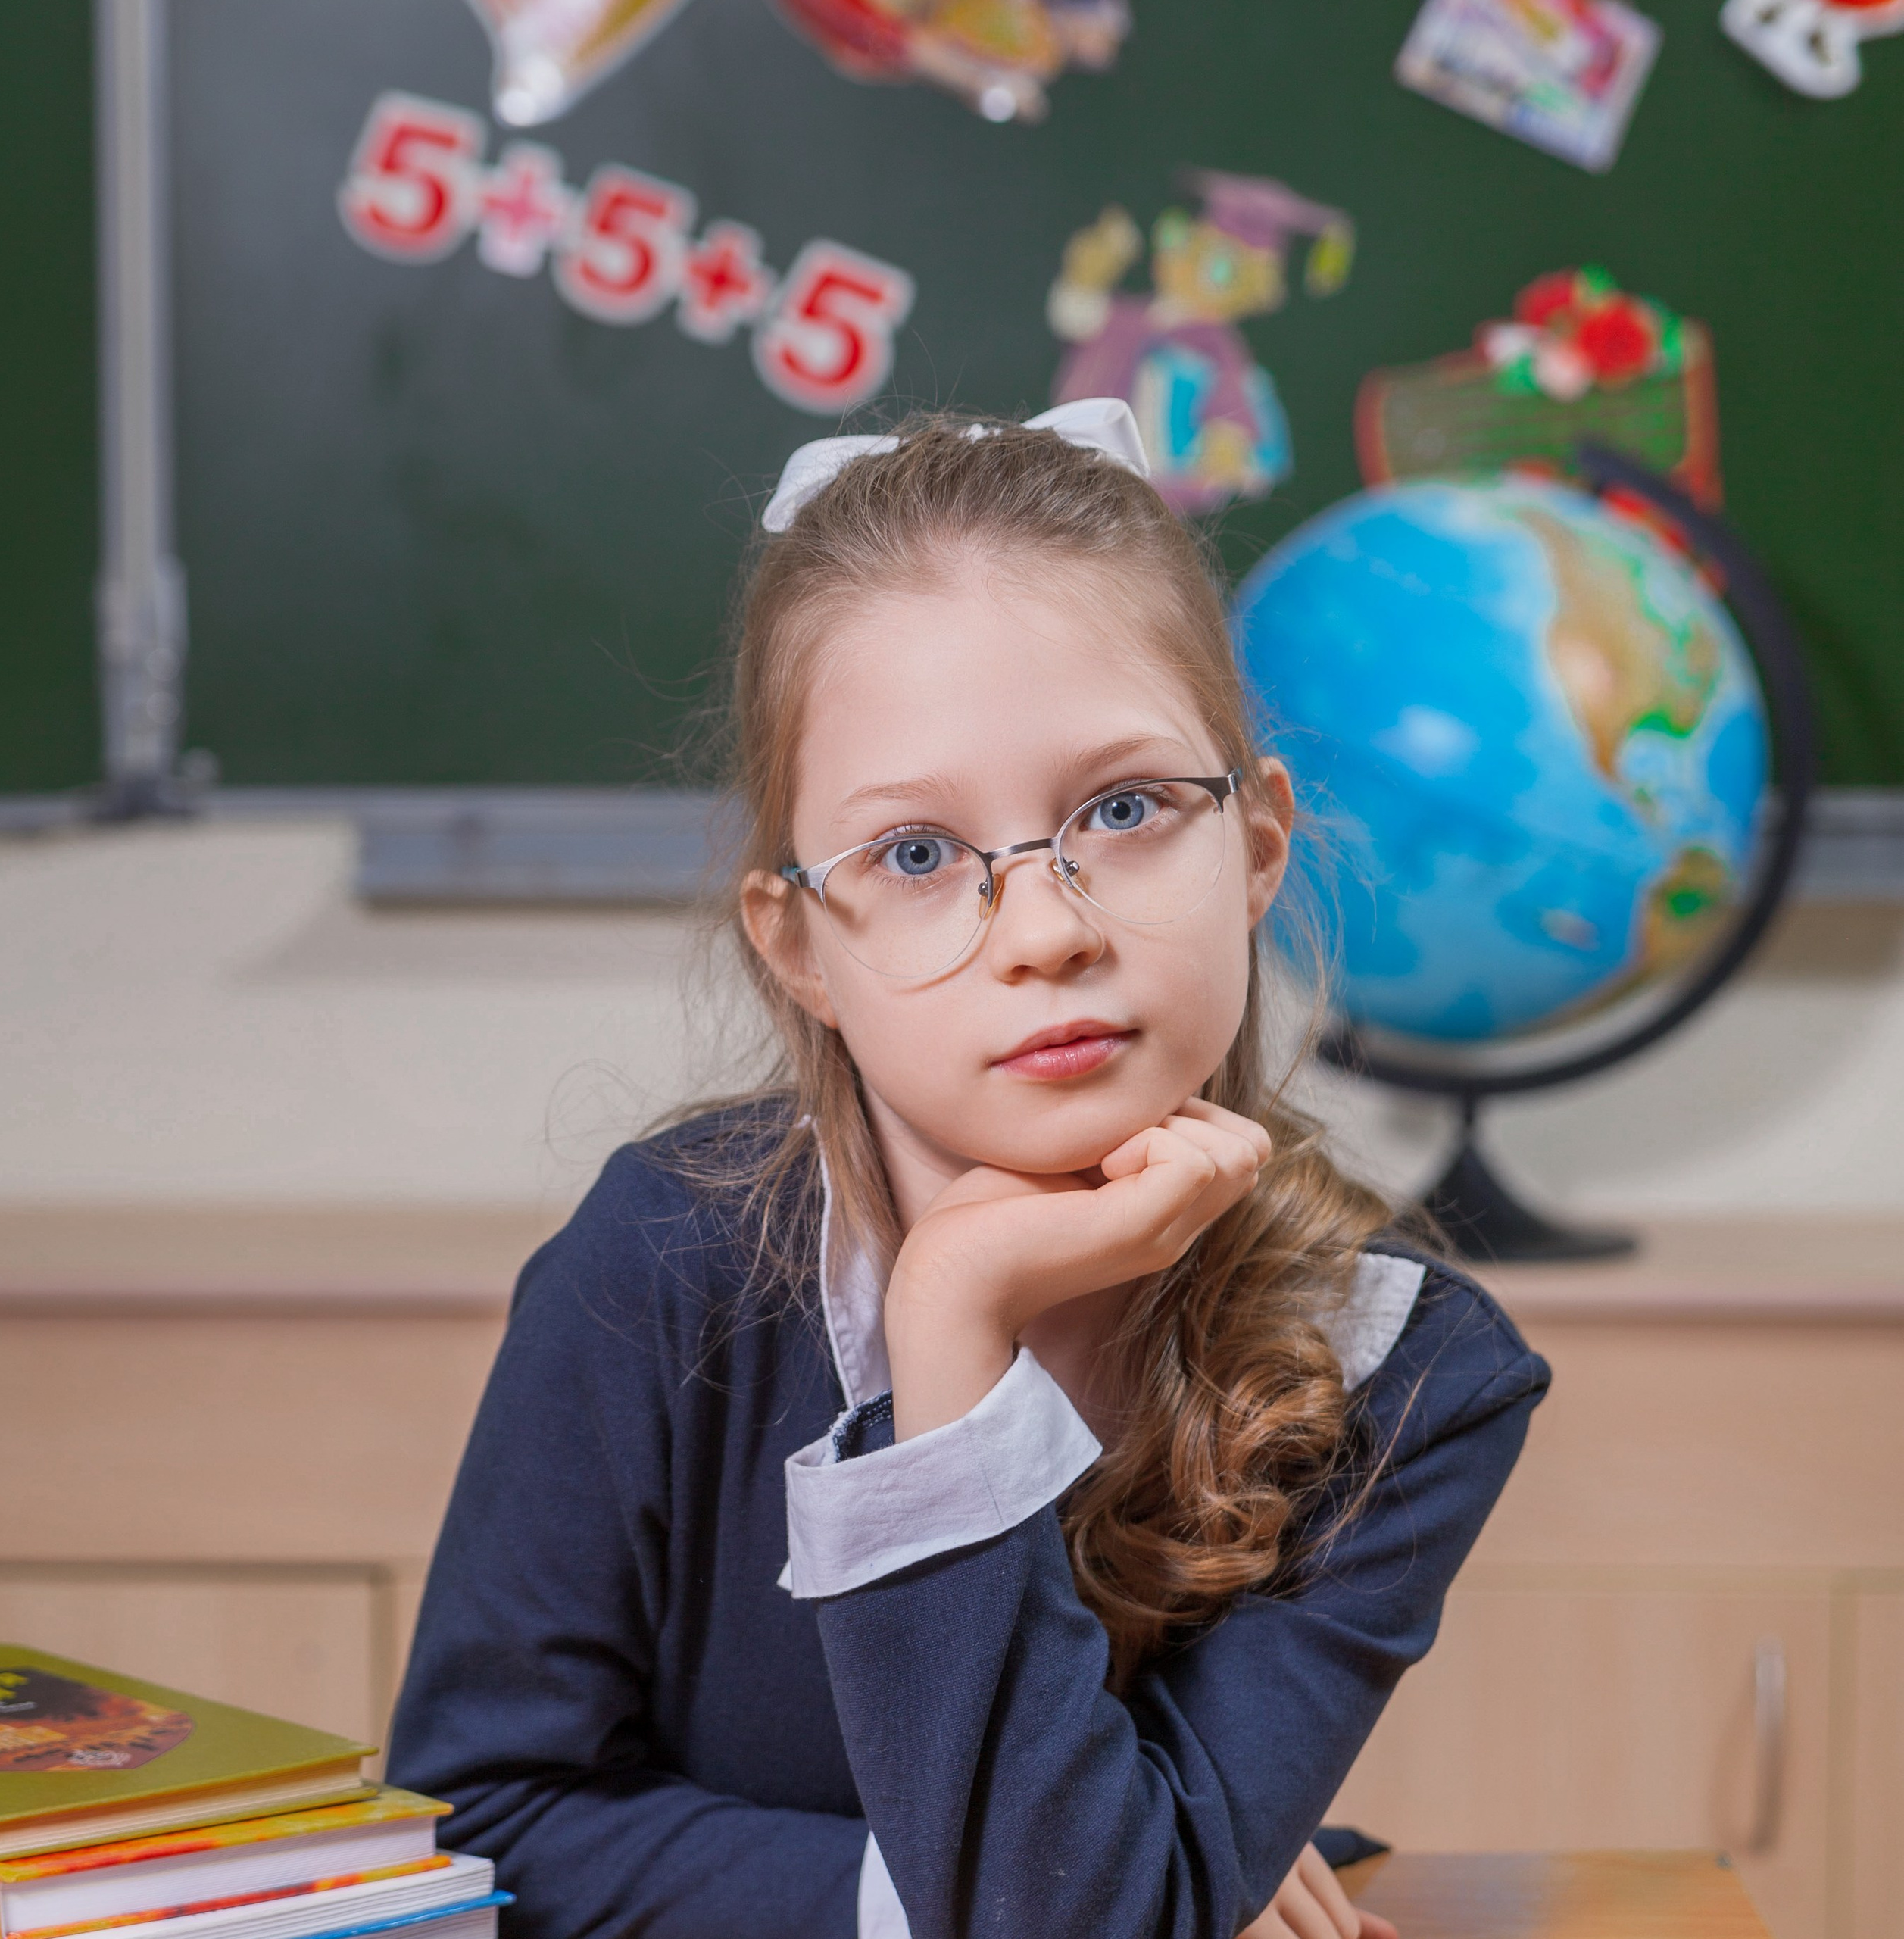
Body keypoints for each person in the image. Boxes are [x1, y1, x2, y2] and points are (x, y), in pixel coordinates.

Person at [386, 399, 1551, 1939]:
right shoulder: (659, 1262)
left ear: (1257, 844)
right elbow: (481, 1823)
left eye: (1124, 808)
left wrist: (1144, 1872)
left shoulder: (1407, 1373)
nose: (1047, 929)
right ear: (799, 940)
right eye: (917, 854)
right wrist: (952, 1311)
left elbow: (1090, 1913)